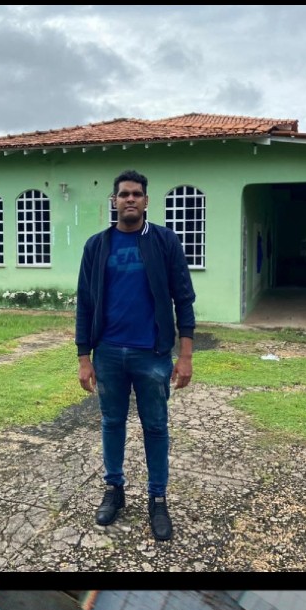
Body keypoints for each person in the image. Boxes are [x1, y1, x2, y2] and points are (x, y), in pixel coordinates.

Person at [75, 168, 195, 542]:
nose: (130, 199)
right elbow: (85, 304)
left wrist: (186, 354)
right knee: (112, 423)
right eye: (123, 194)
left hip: (152, 354)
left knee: (156, 427)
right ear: (114, 200)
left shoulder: (164, 241)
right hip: (108, 353)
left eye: (136, 194)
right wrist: (83, 356)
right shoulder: (97, 246)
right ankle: (114, 490)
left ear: (146, 201)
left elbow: (184, 298)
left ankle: (157, 498)